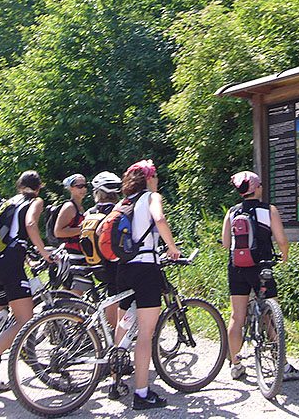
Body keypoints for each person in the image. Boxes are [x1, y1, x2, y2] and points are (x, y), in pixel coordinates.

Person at [221, 170, 299, 382]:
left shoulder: (231, 212)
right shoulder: (269, 210)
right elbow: (282, 240)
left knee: (236, 317)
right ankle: (282, 365)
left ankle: (236, 365)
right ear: (256, 188)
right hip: (262, 267)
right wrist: (284, 255)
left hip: (236, 267)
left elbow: (226, 244)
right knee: (271, 313)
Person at [0, 170, 52, 392]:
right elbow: (30, 225)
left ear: (19, 185)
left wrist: (27, 258)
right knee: (25, 320)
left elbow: (10, 236)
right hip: (9, 265)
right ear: (38, 187)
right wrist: (44, 252)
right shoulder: (35, 201)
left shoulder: (9, 202)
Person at [115, 159, 181, 410]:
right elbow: (160, 220)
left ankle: (116, 382)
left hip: (124, 268)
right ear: (149, 178)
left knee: (123, 324)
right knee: (145, 334)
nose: (157, 180)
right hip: (145, 269)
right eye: (155, 176)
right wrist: (172, 248)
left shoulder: (124, 202)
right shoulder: (152, 197)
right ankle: (141, 394)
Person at [85, 170, 123, 328]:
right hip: (114, 262)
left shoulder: (90, 212)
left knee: (111, 292)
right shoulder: (117, 211)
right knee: (116, 295)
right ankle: (112, 333)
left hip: (95, 263)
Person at [54, 173, 93, 294]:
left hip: (80, 254)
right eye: (79, 186)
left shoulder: (80, 208)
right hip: (72, 255)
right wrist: (83, 229)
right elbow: (58, 232)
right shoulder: (69, 207)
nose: (84, 189)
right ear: (70, 188)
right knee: (76, 291)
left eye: (85, 185)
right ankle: (64, 312)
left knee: (71, 291)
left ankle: (62, 312)